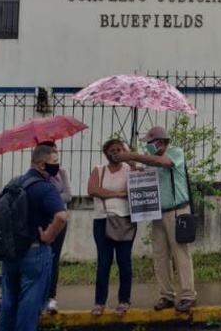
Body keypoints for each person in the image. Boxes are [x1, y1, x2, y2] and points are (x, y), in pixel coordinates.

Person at [112, 126, 197, 312]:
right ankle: (166, 295)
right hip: (157, 212)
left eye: (150, 143)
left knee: (180, 254)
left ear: (160, 141)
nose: (148, 146)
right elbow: (146, 172)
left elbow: (164, 163)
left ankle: (188, 295)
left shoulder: (175, 152)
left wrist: (134, 155)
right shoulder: (152, 161)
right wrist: (132, 162)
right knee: (160, 256)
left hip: (177, 211)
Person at [0, 144, 68, 331]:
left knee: (8, 305)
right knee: (29, 306)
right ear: (42, 165)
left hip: (11, 252)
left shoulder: (14, 183)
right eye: (54, 162)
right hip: (35, 252)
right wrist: (48, 236)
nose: (57, 166)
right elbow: (61, 216)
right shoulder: (46, 188)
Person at [87, 138, 136, 316]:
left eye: (119, 149)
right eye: (112, 150)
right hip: (102, 220)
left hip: (125, 221)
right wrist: (119, 194)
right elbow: (93, 190)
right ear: (106, 153)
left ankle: (124, 300)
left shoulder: (129, 169)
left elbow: (139, 188)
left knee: (124, 262)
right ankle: (99, 302)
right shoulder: (99, 170)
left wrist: (131, 161)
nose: (115, 152)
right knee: (104, 263)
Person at [38, 140, 72, 314]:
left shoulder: (62, 173)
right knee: (40, 258)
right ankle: (39, 296)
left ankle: (51, 297)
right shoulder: (38, 175)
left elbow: (68, 195)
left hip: (59, 221)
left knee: (53, 259)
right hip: (42, 221)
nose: (55, 156)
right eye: (52, 152)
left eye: (56, 152)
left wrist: (49, 197)